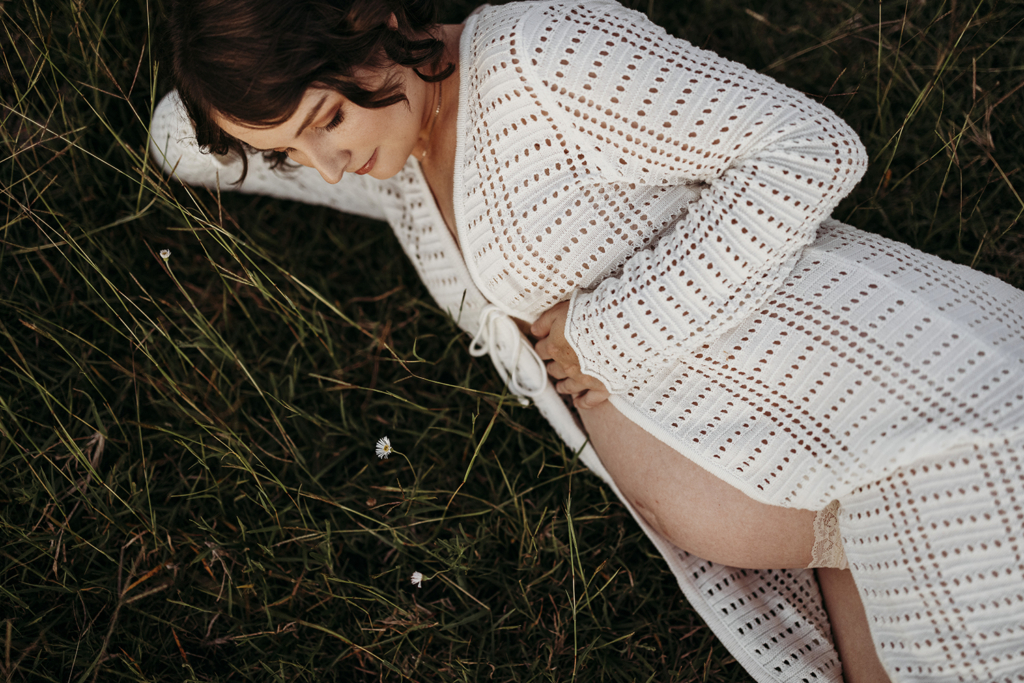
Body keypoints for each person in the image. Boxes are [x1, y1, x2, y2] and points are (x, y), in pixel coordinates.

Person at [149, 0, 1024, 680]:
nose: (328, 167)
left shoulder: (543, 60)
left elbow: (808, 152)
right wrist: (240, 96)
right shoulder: (399, 161)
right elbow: (176, 138)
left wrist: (605, 332)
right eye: (292, 154)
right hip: (835, 518)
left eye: (325, 123)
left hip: (928, 428)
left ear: (374, 23)